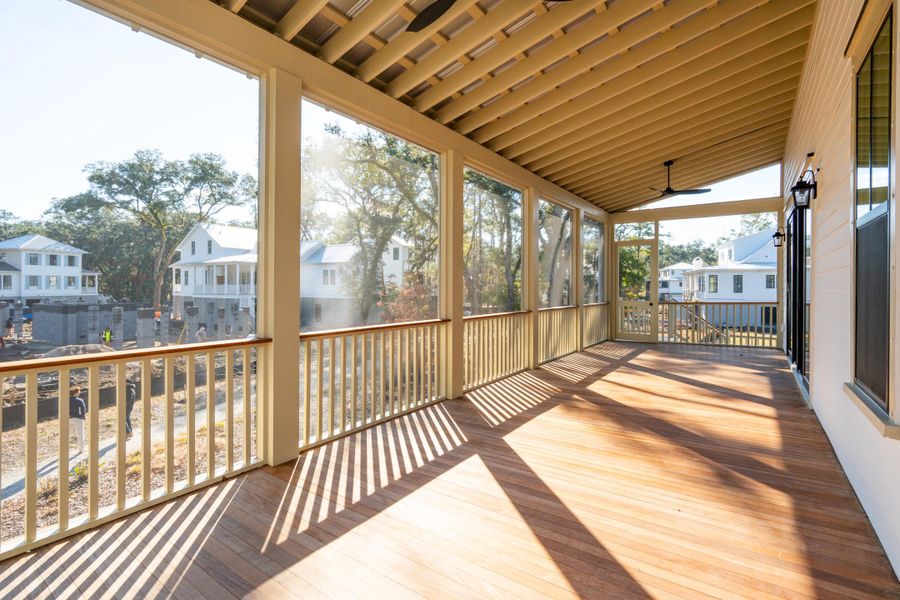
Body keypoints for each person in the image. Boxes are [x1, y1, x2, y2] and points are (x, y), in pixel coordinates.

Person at [69, 387, 87, 455]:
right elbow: (83, 410)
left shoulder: (66, 401)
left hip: (69, 419)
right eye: (78, 392)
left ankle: (64, 450)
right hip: (78, 419)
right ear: (76, 393)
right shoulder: (79, 400)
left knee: (66, 434)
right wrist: (83, 417)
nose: (79, 394)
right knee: (80, 434)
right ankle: (81, 450)